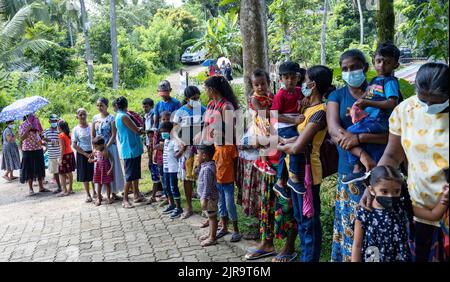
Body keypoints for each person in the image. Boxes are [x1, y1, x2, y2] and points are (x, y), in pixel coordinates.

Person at [361, 62, 449, 262]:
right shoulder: (406, 110)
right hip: (418, 207)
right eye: (423, 100)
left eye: (436, 102)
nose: (428, 107)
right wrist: (373, 183)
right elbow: (392, 156)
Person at [327, 49, 389, 262]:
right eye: (345, 69)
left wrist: (359, 138)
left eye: (354, 67)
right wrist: (362, 155)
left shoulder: (380, 92)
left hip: (383, 172)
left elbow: (393, 134)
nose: (350, 72)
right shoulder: (337, 96)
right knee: (353, 229)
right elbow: (335, 133)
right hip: (350, 174)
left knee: (380, 229)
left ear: (365, 67)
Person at [276, 65, 333, 262]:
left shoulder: (320, 112)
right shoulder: (309, 109)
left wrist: (278, 145)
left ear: (313, 85)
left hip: (307, 176)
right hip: (295, 174)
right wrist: (284, 142)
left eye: (305, 79)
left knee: (309, 223)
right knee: (301, 220)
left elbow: (297, 147)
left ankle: (310, 259)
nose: (302, 84)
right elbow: (298, 139)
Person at [342, 43, 401, 184]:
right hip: (371, 119)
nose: (382, 65)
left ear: (395, 65)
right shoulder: (375, 80)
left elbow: (392, 103)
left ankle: (357, 169)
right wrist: (354, 109)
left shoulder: (390, 82)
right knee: (372, 146)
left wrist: (368, 104)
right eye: (379, 61)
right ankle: (369, 169)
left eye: (387, 62)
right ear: (374, 62)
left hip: (379, 120)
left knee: (349, 133)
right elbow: (367, 99)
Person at [200, 75, 242, 243]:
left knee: (227, 193)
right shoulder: (211, 105)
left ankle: (236, 229)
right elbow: (205, 127)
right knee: (218, 192)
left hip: (226, 151)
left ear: (212, 90)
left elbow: (233, 132)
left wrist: (216, 131)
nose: (205, 92)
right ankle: (224, 226)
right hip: (213, 151)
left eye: (206, 88)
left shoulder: (226, 106)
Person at [351, 166, 413, 262]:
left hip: (399, 257)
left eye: (396, 191)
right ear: (371, 190)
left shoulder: (401, 207)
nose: (390, 196)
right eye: (384, 191)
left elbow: (430, 214)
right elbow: (357, 245)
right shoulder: (364, 213)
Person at [271, 61, 306, 199]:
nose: (290, 80)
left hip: (293, 124)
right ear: (281, 79)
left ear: (298, 77)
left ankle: (280, 182)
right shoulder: (280, 95)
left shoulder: (299, 91)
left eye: (293, 77)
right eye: (286, 77)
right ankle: (293, 176)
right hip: (284, 126)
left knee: (284, 154)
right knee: (295, 147)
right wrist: (293, 120)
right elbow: (274, 115)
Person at [173, 86, 206, 219]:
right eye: (194, 98)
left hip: (201, 148)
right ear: (187, 99)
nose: (196, 100)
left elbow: (208, 126)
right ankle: (189, 206)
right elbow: (174, 130)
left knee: (202, 177)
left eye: (198, 98)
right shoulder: (180, 112)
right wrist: (179, 140)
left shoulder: (203, 110)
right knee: (187, 178)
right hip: (186, 149)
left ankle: (205, 207)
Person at [114, 96, 145, 208]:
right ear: (126, 104)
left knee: (135, 174)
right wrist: (142, 129)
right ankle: (125, 199)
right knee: (130, 176)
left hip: (133, 148)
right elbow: (136, 130)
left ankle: (136, 194)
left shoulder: (119, 115)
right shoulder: (123, 116)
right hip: (130, 149)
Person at [92, 97, 124, 201]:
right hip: (99, 150)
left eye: (102, 105)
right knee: (100, 169)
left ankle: (113, 192)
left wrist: (105, 147)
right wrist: (95, 148)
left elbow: (113, 134)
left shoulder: (111, 118)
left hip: (110, 147)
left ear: (107, 106)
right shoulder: (95, 118)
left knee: (112, 169)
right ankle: (100, 193)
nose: (100, 107)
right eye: (98, 105)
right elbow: (92, 135)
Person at [249, 69, 276, 176]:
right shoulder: (254, 98)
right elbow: (262, 112)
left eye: (263, 83)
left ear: (268, 83)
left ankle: (266, 160)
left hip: (270, 120)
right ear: (252, 86)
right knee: (263, 141)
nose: (260, 87)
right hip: (261, 121)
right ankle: (263, 163)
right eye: (257, 85)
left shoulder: (270, 94)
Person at [19, 114, 50, 195]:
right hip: (28, 150)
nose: (35, 118)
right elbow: (22, 138)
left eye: (35, 117)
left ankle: (41, 187)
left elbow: (40, 134)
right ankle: (30, 189)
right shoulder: (23, 125)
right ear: (27, 116)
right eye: (33, 117)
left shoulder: (36, 123)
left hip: (38, 149)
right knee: (29, 170)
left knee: (39, 168)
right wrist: (27, 130)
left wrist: (43, 143)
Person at [160, 121, 184, 218]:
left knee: (174, 187)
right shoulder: (166, 140)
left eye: (164, 131)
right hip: (166, 167)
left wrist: (182, 149)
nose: (163, 134)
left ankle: (178, 207)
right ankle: (171, 204)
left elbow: (177, 155)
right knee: (166, 187)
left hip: (173, 168)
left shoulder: (175, 141)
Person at [196, 145, 219, 246]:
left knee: (212, 216)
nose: (197, 156)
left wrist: (204, 198)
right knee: (210, 216)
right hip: (210, 197)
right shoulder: (207, 165)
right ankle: (210, 234)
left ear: (204, 155)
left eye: (198, 154)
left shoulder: (207, 169)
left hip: (209, 197)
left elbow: (207, 186)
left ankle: (212, 238)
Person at [72, 108, 95, 203]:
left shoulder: (91, 126)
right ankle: (88, 195)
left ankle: (95, 192)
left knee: (94, 173)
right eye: (80, 114)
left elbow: (96, 138)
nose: (82, 116)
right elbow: (74, 145)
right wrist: (85, 154)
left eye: (84, 114)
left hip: (93, 152)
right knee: (85, 175)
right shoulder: (76, 129)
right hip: (82, 154)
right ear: (77, 116)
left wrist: (93, 152)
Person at [142, 98, 161, 202]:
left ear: (151, 106)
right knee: (151, 164)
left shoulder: (154, 115)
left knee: (155, 164)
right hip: (150, 143)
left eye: (146, 106)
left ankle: (158, 189)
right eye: (143, 106)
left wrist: (152, 139)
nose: (144, 108)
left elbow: (153, 130)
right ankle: (156, 188)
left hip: (154, 143)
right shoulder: (146, 116)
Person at [154, 111, 172, 207]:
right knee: (163, 179)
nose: (165, 121)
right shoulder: (158, 132)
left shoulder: (173, 131)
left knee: (170, 180)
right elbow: (155, 146)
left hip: (171, 160)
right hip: (161, 160)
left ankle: (171, 199)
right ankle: (167, 197)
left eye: (168, 119)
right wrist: (163, 145)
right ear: (160, 120)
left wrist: (163, 145)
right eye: (163, 119)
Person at [90, 136, 114, 206]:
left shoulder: (106, 151)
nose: (94, 148)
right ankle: (98, 198)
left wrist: (110, 169)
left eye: (96, 146)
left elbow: (112, 161)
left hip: (106, 170)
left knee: (107, 184)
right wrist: (92, 160)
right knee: (99, 184)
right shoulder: (97, 151)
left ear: (101, 145)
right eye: (94, 146)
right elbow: (97, 159)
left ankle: (109, 197)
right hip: (98, 170)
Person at [42, 114, 62, 193]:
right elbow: (43, 139)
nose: (54, 122)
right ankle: (59, 187)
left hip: (60, 154)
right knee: (55, 172)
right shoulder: (46, 131)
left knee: (62, 171)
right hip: (51, 155)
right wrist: (45, 140)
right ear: (49, 121)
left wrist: (54, 141)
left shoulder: (59, 131)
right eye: (53, 121)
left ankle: (64, 186)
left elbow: (62, 141)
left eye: (56, 121)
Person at [57, 120, 76, 197]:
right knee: (69, 172)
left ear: (60, 127)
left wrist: (60, 158)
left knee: (61, 173)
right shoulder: (69, 134)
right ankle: (70, 189)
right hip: (70, 154)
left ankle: (64, 190)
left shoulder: (61, 135)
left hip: (64, 155)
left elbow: (62, 147)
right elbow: (70, 143)